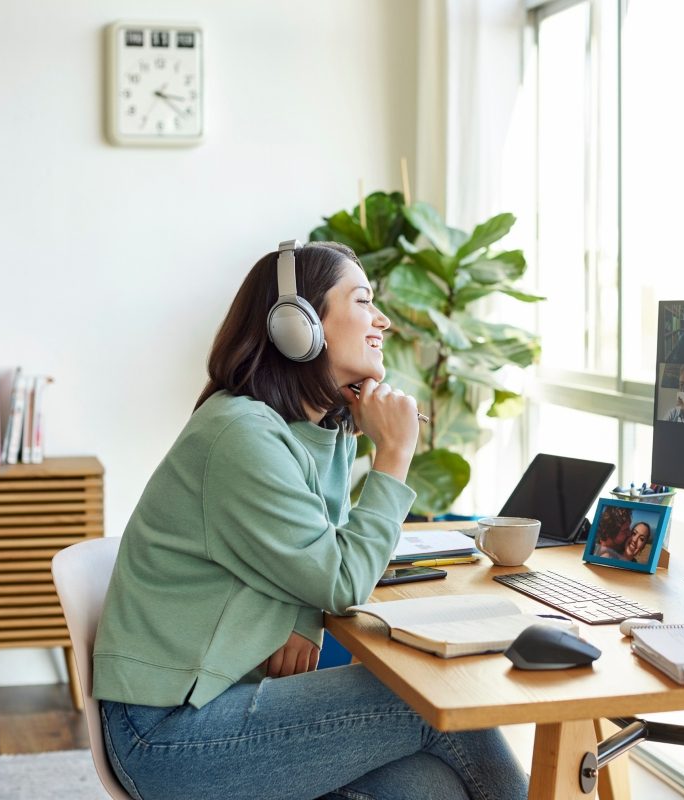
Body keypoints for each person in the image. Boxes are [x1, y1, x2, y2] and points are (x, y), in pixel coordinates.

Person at [92, 242, 528, 800]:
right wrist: (394, 455)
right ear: (297, 326)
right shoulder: (239, 435)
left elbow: (316, 551)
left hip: (226, 701)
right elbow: (344, 581)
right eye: (364, 300)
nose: (383, 320)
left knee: (434, 787)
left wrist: (303, 614)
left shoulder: (311, 431)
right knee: (427, 695)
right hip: (167, 734)